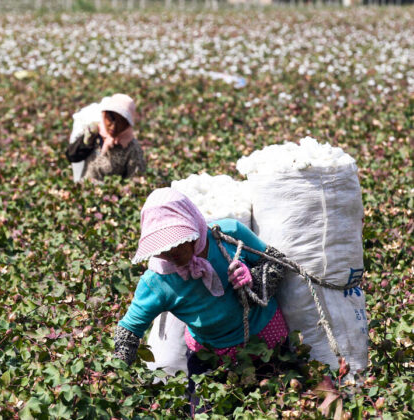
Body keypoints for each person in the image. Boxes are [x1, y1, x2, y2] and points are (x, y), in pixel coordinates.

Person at [113, 188, 288, 414]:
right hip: (210, 355)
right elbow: (129, 330)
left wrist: (253, 280)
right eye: (162, 247)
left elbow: (277, 262)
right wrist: (113, 378)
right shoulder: (156, 281)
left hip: (264, 341)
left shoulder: (228, 234)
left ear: (193, 225)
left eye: (176, 241)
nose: (171, 251)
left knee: (278, 407)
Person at [66, 94, 146, 183]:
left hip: (111, 195)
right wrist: (86, 141)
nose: (114, 127)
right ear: (104, 115)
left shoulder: (131, 147)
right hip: (86, 190)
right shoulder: (95, 133)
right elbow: (72, 157)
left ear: (127, 124)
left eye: (120, 122)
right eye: (111, 119)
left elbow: (136, 180)